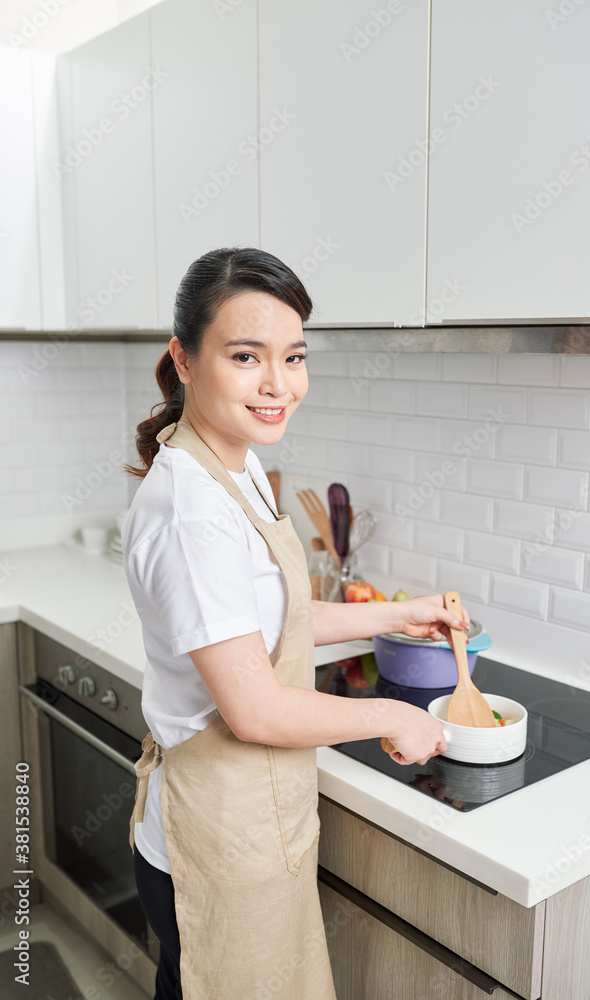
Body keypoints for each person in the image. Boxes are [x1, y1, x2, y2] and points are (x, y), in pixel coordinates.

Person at [121, 247, 470, 1000]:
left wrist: (401, 612)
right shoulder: (194, 512)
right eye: (246, 356)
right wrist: (387, 713)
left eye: (293, 356)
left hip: (250, 822)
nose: (278, 384)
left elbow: (270, 618)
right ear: (183, 359)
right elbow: (253, 708)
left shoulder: (231, 461)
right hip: (213, 843)